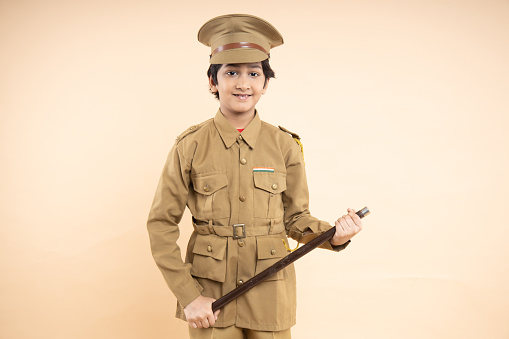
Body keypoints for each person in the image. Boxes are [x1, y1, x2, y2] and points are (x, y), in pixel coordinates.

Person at [147, 14, 363, 339]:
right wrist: (189, 296)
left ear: (265, 83)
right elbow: (161, 224)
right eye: (231, 72)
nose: (243, 83)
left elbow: (295, 218)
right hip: (211, 297)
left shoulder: (284, 146)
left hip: (270, 293)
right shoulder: (189, 147)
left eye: (253, 73)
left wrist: (335, 235)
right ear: (212, 81)